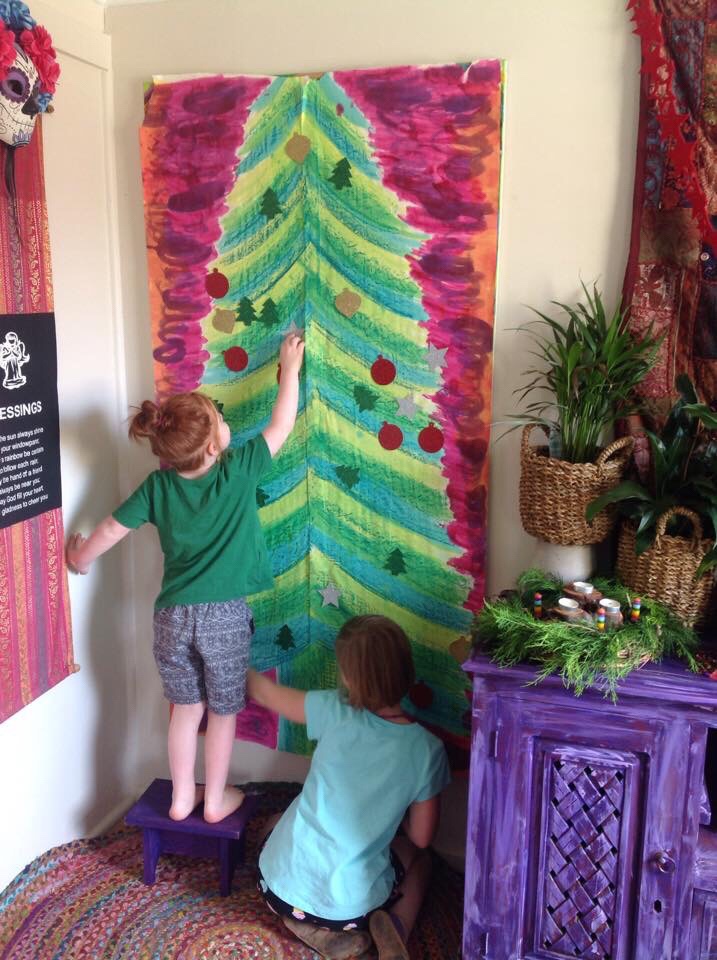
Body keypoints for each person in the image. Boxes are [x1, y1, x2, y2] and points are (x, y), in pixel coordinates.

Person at [66, 332, 305, 824]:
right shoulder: (238, 471)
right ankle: (213, 800)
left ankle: (180, 798)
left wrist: (80, 559)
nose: (227, 423)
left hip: (172, 619)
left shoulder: (157, 486)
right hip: (224, 619)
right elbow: (282, 423)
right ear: (215, 445)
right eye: (221, 419)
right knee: (222, 712)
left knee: (186, 709)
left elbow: (110, 529)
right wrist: (290, 371)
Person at [247, 614, 450, 960]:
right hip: (353, 909)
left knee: (276, 824)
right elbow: (421, 837)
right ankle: (397, 927)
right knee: (422, 861)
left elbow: (265, 693)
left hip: (278, 890)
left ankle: (306, 926)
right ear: (406, 670)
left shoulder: (335, 708)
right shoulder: (427, 750)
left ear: (350, 679)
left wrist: (231, 655)